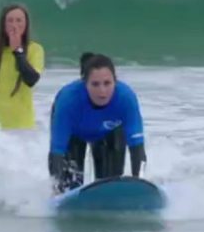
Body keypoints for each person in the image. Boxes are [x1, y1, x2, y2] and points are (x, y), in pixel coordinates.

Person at [48, 53, 147, 194]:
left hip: (109, 133)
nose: (102, 91)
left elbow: (137, 148)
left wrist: (140, 184)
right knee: (69, 188)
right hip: (74, 134)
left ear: (115, 81)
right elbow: (57, 152)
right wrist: (56, 191)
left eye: (107, 83)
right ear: (85, 83)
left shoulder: (126, 98)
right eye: (95, 84)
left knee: (109, 188)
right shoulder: (68, 101)